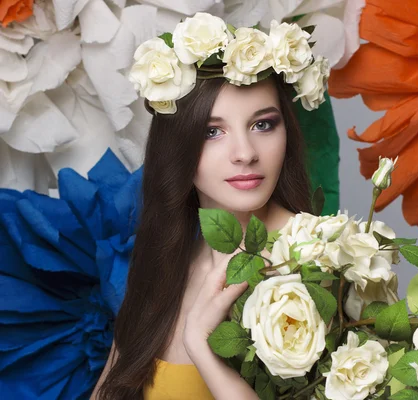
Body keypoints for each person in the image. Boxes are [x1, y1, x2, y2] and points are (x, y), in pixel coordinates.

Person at [91, 13, 329, 400]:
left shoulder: (321, 255)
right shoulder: (166, 259)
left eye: (263, 124)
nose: (245, 154)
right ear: (176, 146)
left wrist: (201, 347)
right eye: (212, 132)